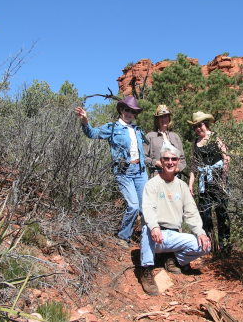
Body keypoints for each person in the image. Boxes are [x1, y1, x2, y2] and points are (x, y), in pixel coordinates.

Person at [74, 96, 148, 248]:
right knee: (133, 206)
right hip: (124, 171)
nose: (129, 113)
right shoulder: (112, 127)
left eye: (133, 111)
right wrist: (85, 120)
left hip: (140, 171)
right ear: (121, 110)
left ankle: (147, 239)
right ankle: (123, 237)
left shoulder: (137, 130)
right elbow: (92, 133)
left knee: (145, 207)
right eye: (127, 110)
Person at [139, 143, 211, 296]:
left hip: (174, 236)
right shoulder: (152, 184)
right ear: (161, 161)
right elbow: (148, 208)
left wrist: (200, 232)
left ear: (178, 161)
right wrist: (154, 226)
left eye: (173, 159)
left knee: (205, 245)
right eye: (166, 159)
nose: (170, 162)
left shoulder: (182, 186)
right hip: (155, 235)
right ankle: (146, 270)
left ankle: (174, 259)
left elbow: (191, 212)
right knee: (146, 229)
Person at [187, 111, 231, 254]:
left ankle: (224, 245)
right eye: (195, 127)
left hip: (218, 179)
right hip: (203, 182)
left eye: (200, 125)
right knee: (205, 213)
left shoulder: (216, 138)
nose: (198, 129)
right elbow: (194, 165)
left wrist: (223, 179)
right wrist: (190, 184)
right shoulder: (196, 143)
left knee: (221, 212)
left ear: (205, 124)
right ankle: (209, 246)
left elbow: (226, 158)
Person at [144, 105, 186, 178]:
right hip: (156, 175)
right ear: (157, 119)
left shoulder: (175, 137)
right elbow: (143, 157)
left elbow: (182, 160)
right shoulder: (150, 136)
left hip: (175, 177)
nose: (164, 119)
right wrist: (155, 162)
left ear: (169, 118)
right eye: (161, 117)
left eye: (166, 116)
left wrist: (177, 169)